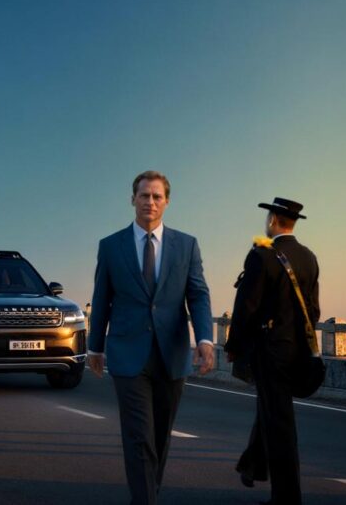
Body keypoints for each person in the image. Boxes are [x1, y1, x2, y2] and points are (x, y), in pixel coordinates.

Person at [87, 171, 215, 505]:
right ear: (133, 199)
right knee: (139, 436)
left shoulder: (186, 245)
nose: (150, 202)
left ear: (167, 202)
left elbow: (198, 295)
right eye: (144, 196)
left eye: (157, 196)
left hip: (171, 354)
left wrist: (204, 339)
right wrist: (94, 347)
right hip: (128, 353)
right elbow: (101, 299)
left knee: (159, 437)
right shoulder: (111, 246)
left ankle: (145, 495)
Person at [225, 198, 319, 504]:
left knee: (280, 423)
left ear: (273, 220)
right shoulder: (309, 257)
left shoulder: (262, 255)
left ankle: (287, 498)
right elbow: (314, 311)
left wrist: (234, 345)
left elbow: (246, 308)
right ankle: (252, 465)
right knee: (271, 408)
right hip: (298, 351)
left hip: (270, 351)